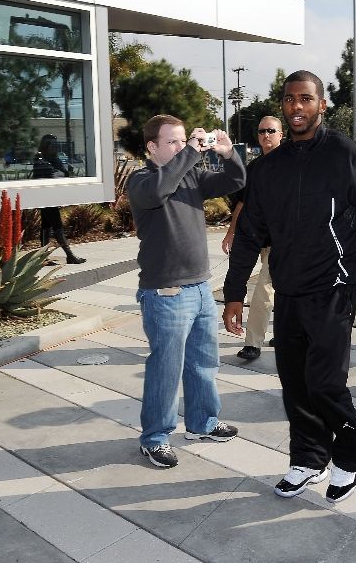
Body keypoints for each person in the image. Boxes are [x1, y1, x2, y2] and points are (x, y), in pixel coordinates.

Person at [222, 70, 356, 503]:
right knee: (294, 383)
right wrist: (234, 294)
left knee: (325, 383)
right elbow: (248, 235)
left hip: (335, 288)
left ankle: (352, 455)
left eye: (305, 99)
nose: (296, 107)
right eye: (289, 100)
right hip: (290, 291)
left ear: (322, 105)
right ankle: (308, 459)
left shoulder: (347, 155)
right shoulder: (267, 169)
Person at [127, 115, 244, 469]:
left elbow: (236, 180)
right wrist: (191, 151)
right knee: (166, 368)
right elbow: (161, 189)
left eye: (184, 140)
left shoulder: (190, 175)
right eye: (173, 142)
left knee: (203, 363)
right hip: (166, 293)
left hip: (200, 287)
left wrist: (227, 153)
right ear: (152, 147)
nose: (182, 147)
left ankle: (202, 423)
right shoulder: (142, 181)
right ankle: (155, 438)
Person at [221, 116, 283, 361]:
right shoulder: (254, 168)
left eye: (271, 131)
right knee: (272, 289)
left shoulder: (291, 165)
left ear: (281, 134)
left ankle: (253, 343)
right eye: (261, 131)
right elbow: (242, 203)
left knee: (264, 291)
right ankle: (275, 334)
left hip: (281, 242)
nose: (266, 135)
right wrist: (231, 231)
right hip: (254, 238)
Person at [31, 134, 86, 265]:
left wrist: (66, 172)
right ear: (45, 147)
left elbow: (64, 173)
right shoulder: (40, 160)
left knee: (46, 225)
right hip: (45, 196)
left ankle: (43, 256)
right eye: (51, 145)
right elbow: (43, 176)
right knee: (57, 225)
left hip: (53, 196)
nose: (55, 147)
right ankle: (69, 255)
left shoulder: (55, 160)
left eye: (55, 145)